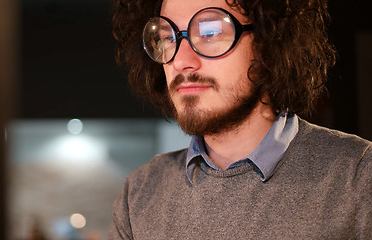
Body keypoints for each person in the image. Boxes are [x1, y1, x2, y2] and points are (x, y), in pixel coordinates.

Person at [108, 0, 372, 239]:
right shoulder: (139, 194)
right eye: (167, 38)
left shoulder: (359, 175)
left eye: (210, 33)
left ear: (269, 42)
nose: (181, 61)